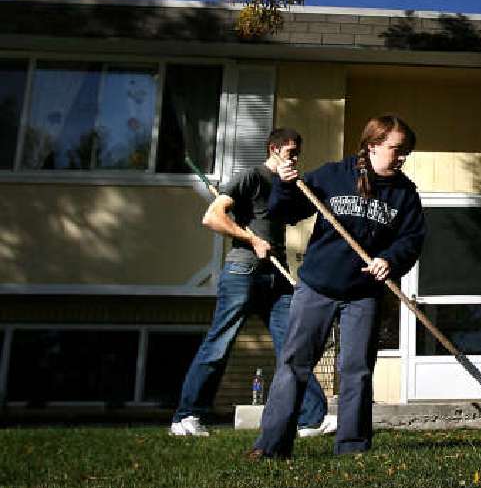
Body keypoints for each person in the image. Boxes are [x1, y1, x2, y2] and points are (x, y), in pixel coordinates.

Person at [248, 114, 427, 458]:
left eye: (407, 151)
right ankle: (271, 446)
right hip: (317, 286)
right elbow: (284, 212)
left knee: (356, 370)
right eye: (397, 149)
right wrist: (285, 185)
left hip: (364, 294)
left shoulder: (404, 194)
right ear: (373, 145)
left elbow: (412, 239)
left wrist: (389, 259)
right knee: (294, 364)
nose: (403, 157)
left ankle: (352, 447)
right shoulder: (333, 175)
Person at [170, 128, 334, 438]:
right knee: (220, 343)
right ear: (274, 149)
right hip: (243, 273)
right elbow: (212, 217)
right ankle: (187, 416)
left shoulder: (285, 185)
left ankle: (312, 419)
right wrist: (251, 239)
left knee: (294, 345)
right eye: (290, 152)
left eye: (298, 152)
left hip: (276, 275)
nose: (295, 158)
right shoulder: (252, 177)